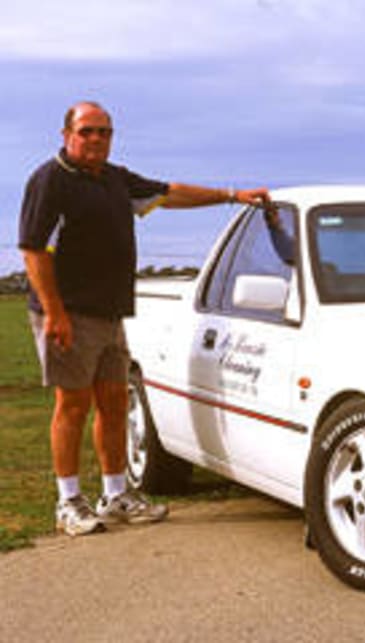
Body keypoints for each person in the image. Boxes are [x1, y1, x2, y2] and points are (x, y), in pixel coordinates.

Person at [18, 101, 270, 536]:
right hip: (68, 314)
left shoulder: (116, 179)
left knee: (114, 404)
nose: (96, 139)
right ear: (66, 135)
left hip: (110, 313)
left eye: (104, 132)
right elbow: (33, 250)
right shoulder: (51, 180)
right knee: (72, 406)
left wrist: (232, 196)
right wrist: (56, 313)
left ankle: (115, 495)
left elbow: (170, 193)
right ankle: (69, 501)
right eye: (87, 131)